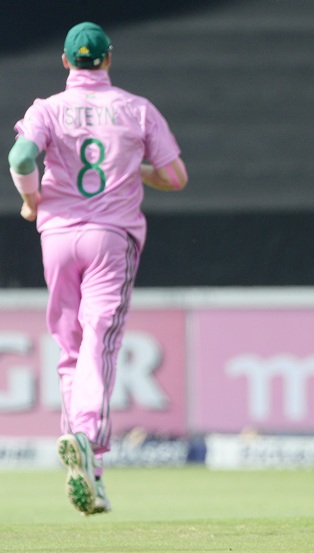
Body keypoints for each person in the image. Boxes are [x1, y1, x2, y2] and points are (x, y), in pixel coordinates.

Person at [8, 21, 188, 515]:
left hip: (59, 235)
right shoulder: (135, 108)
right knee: (100, 339)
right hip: (111, 236)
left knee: (69, 350)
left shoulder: (47, 108)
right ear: (107, 60)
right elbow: (175, 176)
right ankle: (87, 435)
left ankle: (87, 464)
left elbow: (21, 156)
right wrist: (137, 169)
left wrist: (29, 200)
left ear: (66, 62)